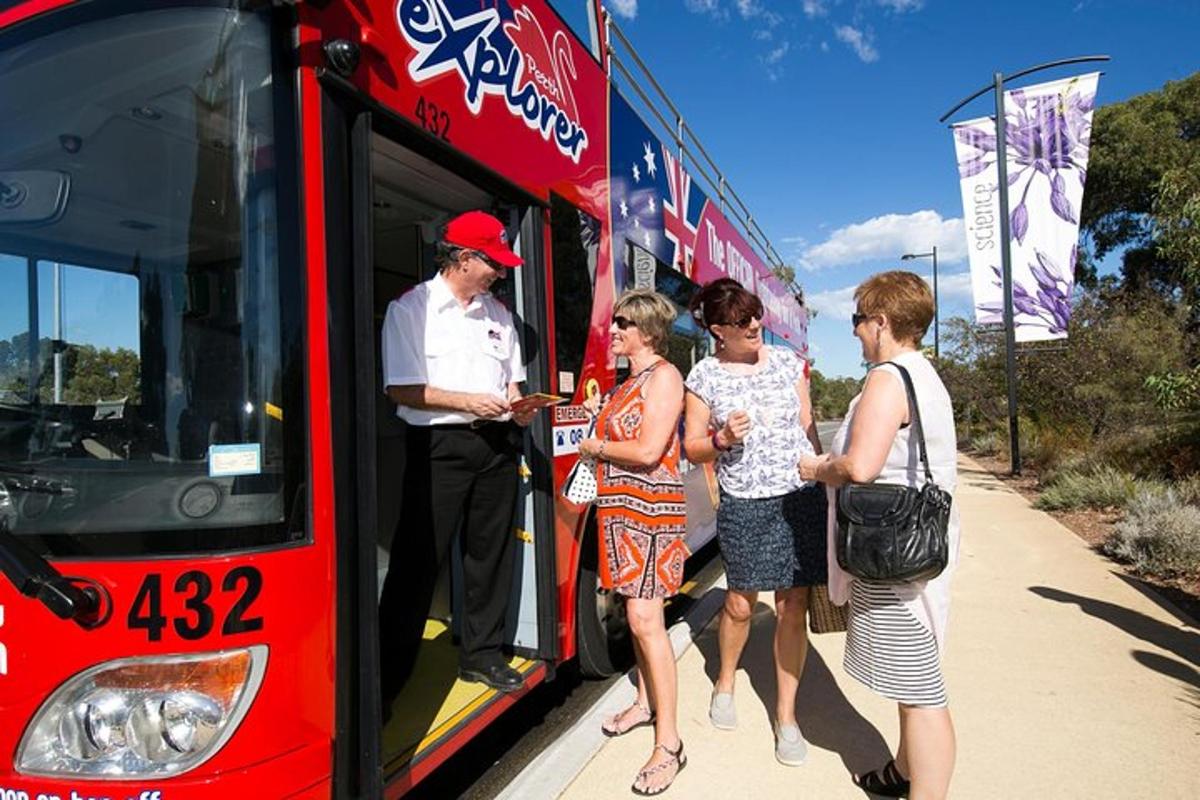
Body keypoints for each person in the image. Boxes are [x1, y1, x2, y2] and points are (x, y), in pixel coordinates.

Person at [799, 270, 959, 800]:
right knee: (911, 683)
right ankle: (902, 772)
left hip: (893, 557)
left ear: (883, 322)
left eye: (858, 320)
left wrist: (816, 466)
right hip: (909, 552)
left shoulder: (888, 378)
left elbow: (861, 466)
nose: (855, 332)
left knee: (923, 695)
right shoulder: (921, 374)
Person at [378, 210, 537, 714]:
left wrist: (521, 406)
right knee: (417, 561)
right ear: (464, 258)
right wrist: (469, 402)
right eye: (494, 263)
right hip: (438, 449)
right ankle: (388, 674)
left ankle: (481, 655)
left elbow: (510, 382)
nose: (502, 272)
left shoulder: (499, 314)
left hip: (497, 444)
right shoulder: (411, 309)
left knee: (490, 556)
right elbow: (400, 388)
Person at [680, 277, 826, 766]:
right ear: (719, 329)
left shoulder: (788, 364)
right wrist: (720, 438)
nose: (756, 325)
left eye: (757, 315)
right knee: (741, 604)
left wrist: (827, 481)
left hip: (799, 498)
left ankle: (787, 717)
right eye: (743, 321)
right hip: (744, 502)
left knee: (793, 605)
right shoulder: (703, 376)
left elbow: (808, 427)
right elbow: (692, 445)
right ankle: (725, 681)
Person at [577, 289, 688, 796]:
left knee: (646, 621)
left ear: (647, 331)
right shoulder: (629, 382)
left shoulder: (664, 377)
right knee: (636, 617)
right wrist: (600, 413)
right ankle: (645, 704)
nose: (614, 330)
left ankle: (669, 743)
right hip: (620, 514)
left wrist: (597, 444)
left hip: (650, 515)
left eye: (622, 323)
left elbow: (646, 450)